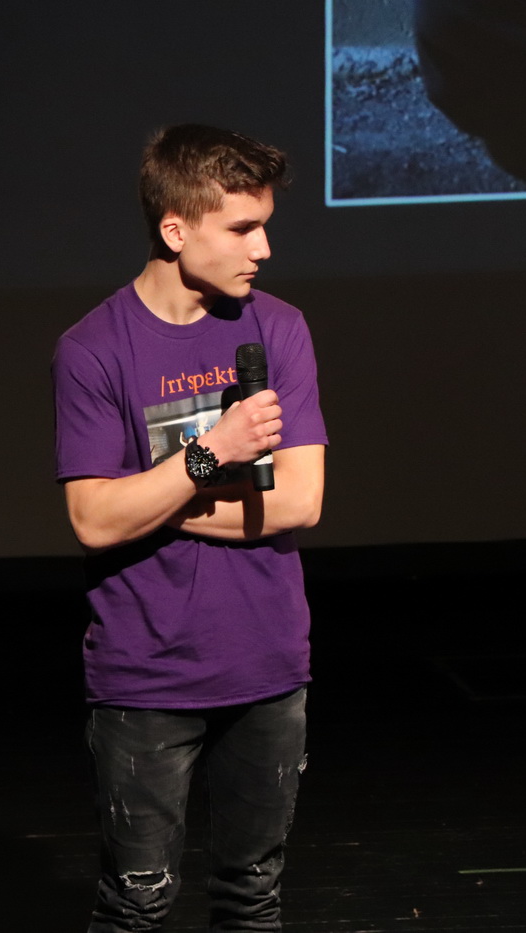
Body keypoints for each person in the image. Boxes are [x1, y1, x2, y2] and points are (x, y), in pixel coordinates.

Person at [53, 124, 327, 931]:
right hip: (146, 674)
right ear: (175, 229)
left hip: (267, 661)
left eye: (264, 225)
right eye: (242, 228)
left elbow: (301, 501)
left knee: (251, 897)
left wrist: (154, 499)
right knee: (137, 901)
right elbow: (92, 519)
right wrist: (211, 454)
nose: (263, 248)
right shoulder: (93, 349)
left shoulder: (279, 327)